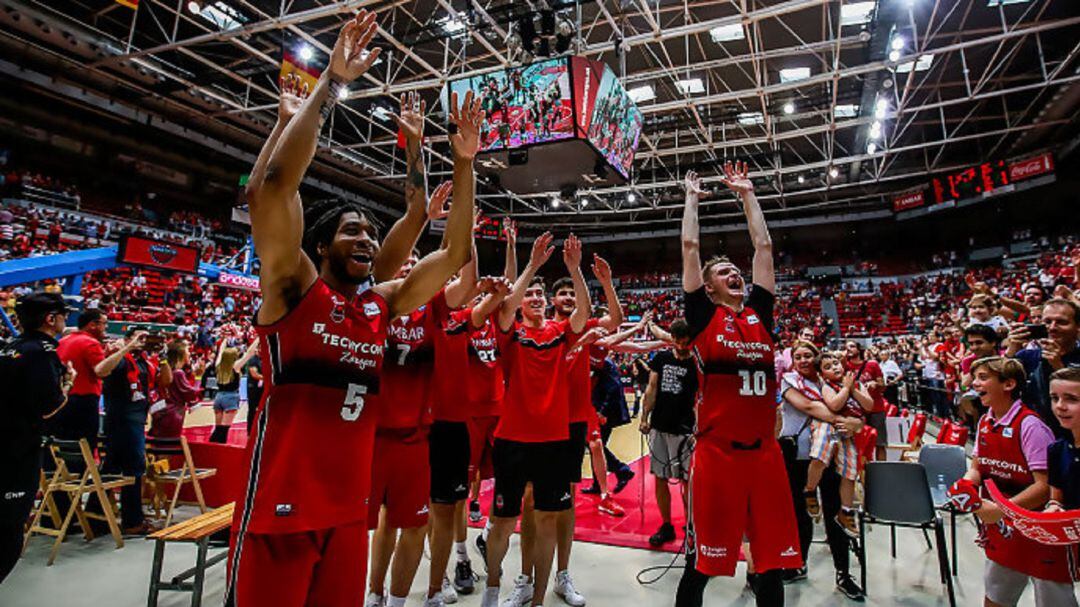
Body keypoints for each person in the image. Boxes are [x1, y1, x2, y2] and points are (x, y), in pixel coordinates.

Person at [228, 10, 480, 605]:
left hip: (347, 512)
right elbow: (271, 189)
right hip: (278, 513)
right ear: (319, 246)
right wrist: (328, 87)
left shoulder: (380, 306)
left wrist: (465, 162)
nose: (367, 238)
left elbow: (452, 251)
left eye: (371, 231)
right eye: (351, 231)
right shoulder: (292, 289)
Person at [676, 163, 801, 607]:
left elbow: (764, 247)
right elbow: (690, 246)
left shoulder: (759, 315)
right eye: (723, 271)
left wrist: (748, 195)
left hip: (764, 455)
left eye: (735, 269)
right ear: (708, 288)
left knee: (770, 566)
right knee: (702, 565)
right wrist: (692, 197)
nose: (735, 274)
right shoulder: (703, 317)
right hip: (717, 455)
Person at [480, 234, 595, 607]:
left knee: (547, 520)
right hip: (512, 439)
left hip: (553, 441)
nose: (534, 298)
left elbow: (581, 313)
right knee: (502, 522)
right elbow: (505, 307)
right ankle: (493, 589)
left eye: (538, 294)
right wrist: (531, 265)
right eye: (528, 294)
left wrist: (576, 271)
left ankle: (538, 600)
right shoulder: (509, 333)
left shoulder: (560, 333)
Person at [529, 252, 623, 607]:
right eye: (564, 294)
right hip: (537, 421)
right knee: (532, 504)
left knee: (564, 502)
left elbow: (614, 320)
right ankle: (527, 578)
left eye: (573, 293)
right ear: (552, 300)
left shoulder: (581, 326)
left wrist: (606, 283)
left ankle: (562, 575)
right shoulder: (542, 327)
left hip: (570, 423)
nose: (569, 298)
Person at [949, 356, 1075, 607]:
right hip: (1004, 529)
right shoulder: (986, 420)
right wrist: (966, 484)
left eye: (983, 378)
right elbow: (978, 466)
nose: (974, 383)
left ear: (1008, 384)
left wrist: (1001, 511)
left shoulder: (1030, 425)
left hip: (1039, 531)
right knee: (996, 598)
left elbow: (1045, 486)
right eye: (974, 378)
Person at [777, 341, 864, 598]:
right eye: (798, 356)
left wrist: (857, 422)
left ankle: (843, 573)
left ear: (817, 358)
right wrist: (848, 421)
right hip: (800, 457)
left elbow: (859, 408)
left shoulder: (831, 380)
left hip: (832, 456)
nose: (803, 360)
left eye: (807, 355)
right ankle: (798, 564)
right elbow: (809, 408)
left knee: (834, 512)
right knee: (800, 514)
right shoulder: (789, 380)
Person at [0, 293, 74, 584]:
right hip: (18, 451)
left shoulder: (9, 346)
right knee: (8, 535)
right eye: (63, 316)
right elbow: (48, 407)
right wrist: (68, 384)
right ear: (50, 319)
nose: (66, 321)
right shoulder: (42, 353)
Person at [639, 318, 697, 547]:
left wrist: (699, 427)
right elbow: (651, 389)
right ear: (671, 339)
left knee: (687, 482)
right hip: (660, 426)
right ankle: (666, 525)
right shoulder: (661, 359)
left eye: (686, 342)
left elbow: (700, 399)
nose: (682, 347)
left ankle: (692, 525)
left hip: (687, 432)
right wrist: (644, 417)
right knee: (660, 478)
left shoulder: (697, 363)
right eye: (678, 342)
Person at [101, 328, 164, 534]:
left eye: (147, 337)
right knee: (134, 469)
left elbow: (165, 383)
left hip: (136, 420)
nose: (143, 341)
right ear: (127, 339)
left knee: (111, 468)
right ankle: (132, 521)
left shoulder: (145, 362)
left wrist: (162, 358)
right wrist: (127, 346)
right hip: (121, 421)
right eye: (140, 337)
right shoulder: (120, 357)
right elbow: (100, 371)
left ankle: (98, 516)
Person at [801, 353, 873, 537]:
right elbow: (834, 405)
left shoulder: (856, 383)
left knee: (850, 473)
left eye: (836, 363)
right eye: (828, 366)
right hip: (830, 427)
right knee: (820, 456)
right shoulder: (826, 386)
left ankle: (846, 511)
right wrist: (846, 389)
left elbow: (869, 405)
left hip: (847, 434)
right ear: (822, 375)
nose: (834, 367)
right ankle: (809, 490)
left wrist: (853, 389)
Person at [1006, 298, 1080, 437]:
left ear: (1077, 326)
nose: (1052, 327)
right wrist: (1011, 351)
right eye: (1047, 322)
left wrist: (1058, 367)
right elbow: (998, 389)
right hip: (1032, 436)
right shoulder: (1026, 356)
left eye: (1062, 322)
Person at [53, 309, 107, 446]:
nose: (105, 328)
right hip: (84, 401)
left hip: (63, 398)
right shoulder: (91, 343)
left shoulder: (63, 341)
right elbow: (103, 371)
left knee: (63, 443)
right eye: (104, 324)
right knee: (83, 447)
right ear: (93, 325)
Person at [148, 340, 204, 438]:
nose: (190, 353)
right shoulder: (178, 373)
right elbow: (191, 393)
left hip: (162, 412)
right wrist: (198, 378)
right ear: (180, 354)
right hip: (173, 414)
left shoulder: (166, 371)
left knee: (159, 444)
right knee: (168, 446)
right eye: (187, 351)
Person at [843, 340, 886, 459]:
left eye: (852, 346)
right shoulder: (844, 366)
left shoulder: (872, 364)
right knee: (857, 444)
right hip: (855, 411)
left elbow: (883, 386)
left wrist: (875, 384)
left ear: (859, 349)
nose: (848, 349)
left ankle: (881, 471)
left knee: (880, 443)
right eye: (846, 347)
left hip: (876, 409)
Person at [1048, 368, 1080, 512]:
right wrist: (1054, 507)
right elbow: (1056, 499)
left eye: (1072, 399)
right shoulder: (1057, 449)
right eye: (1055, 398)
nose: (1060, 406)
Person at [209, 340, 241, 443]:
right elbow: (249, 354)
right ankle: (219, 453)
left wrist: (225, 340)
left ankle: (210, 450)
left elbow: (220, 352)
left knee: (218, 429)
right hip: (231, 397)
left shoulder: (218, 366)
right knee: (223, 430)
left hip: (218, 397)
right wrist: (258, 339)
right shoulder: (235, 367)